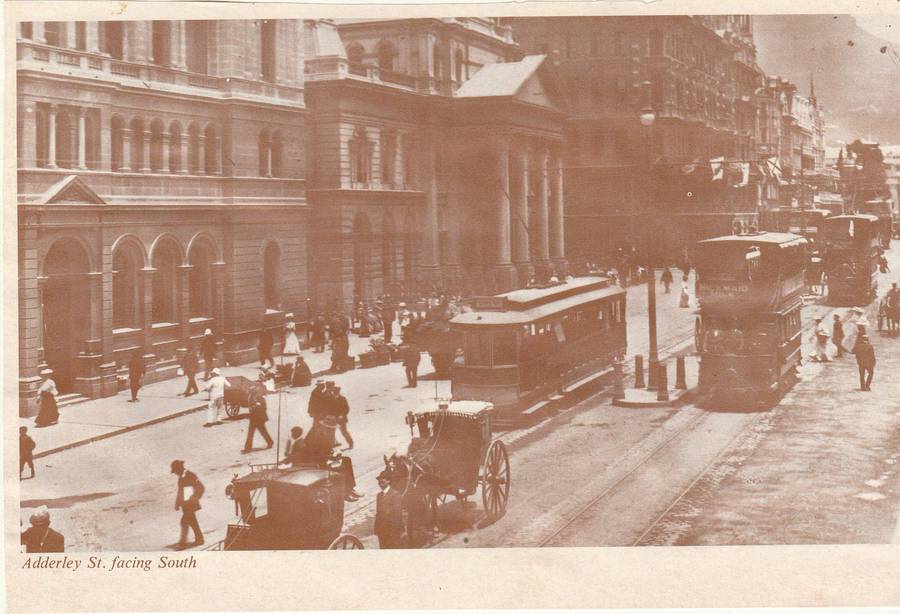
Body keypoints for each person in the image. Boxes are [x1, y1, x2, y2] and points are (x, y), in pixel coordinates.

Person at [171, 460, 204, 549]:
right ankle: (200, 539)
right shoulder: (182, 476)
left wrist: (194, 497)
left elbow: (201, 488)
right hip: (186, 505)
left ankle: (183, 543)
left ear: (179, 469)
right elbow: (180, 492)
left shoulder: (190, 475)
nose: (175, 473)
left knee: (184, 522)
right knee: (192, 522)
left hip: (191, 504)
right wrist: (177, 503)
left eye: (176, 471)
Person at [332, 386, 354, 450]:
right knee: (331, 433)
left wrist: (342, 415)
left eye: (336, 391)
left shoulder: (343, 398)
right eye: (334, 391)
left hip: (342, 419)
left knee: (344, 432)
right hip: (333, 419)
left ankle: (351, 443)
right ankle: (332, 446)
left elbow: (346, 409)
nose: (335, 393)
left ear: (338, 391)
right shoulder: (331, 399)